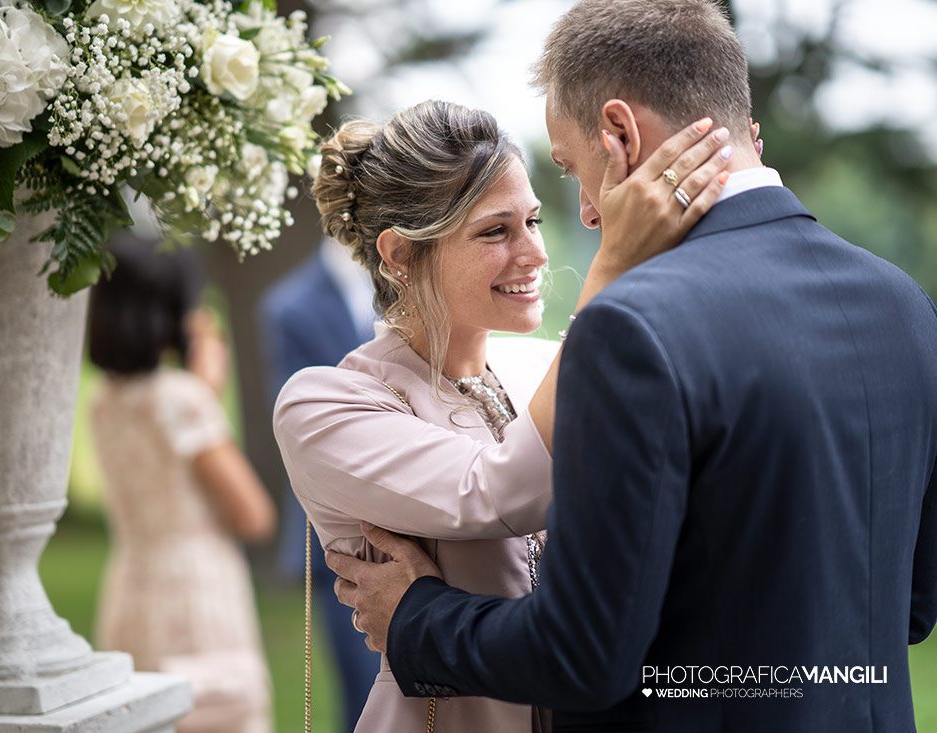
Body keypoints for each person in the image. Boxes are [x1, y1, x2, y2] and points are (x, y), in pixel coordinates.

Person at [325, 2, 937, 732]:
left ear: (619, 134)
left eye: (571, 168)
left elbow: (584, 655)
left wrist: (416, 617)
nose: (586, 212)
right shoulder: (903, 302)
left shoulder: (632, 329)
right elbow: (909, 606)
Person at [272, 99, 737, 731]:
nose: (536, 253)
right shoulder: (325, 404)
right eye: (496, 231)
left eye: (533, 221)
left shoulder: (543, 366)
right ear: (401, 254)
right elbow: (496, 491)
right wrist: (614, 266)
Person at [88, 234, 277, 733]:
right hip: (197, 596)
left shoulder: (103, 401)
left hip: (130, 586)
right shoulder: (183, 400)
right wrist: (207, 393)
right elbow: (254, 515)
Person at [258, 237, 380, 733]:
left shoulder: (415, 280)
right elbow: (303, 430)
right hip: (341, 538)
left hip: (435, 530)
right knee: (365, 697)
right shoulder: (289, 306)